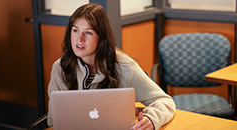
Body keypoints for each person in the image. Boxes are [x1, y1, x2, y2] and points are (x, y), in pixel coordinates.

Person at [47, 3, 175, 130]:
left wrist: (152, 119)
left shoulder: (125, 67)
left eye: (88, 33)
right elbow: (54, 120)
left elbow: (164, 101)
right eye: (75, 31)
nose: (79, 39)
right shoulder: (60, 68)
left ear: (101, 37)